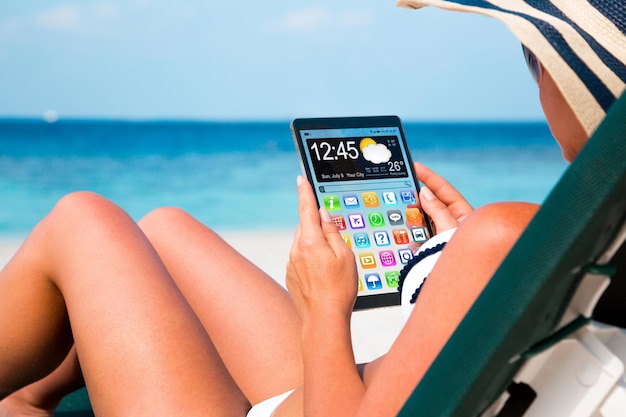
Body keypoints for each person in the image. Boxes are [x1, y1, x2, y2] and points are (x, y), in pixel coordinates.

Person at [0, 1, 624, 416]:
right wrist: (452, 274)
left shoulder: (506, 237)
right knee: (164, 228)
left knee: (85, 218)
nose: (536, 78)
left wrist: (322, 307)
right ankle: (33, 393)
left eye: (537, 58)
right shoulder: (583, 239)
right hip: (327, 396)